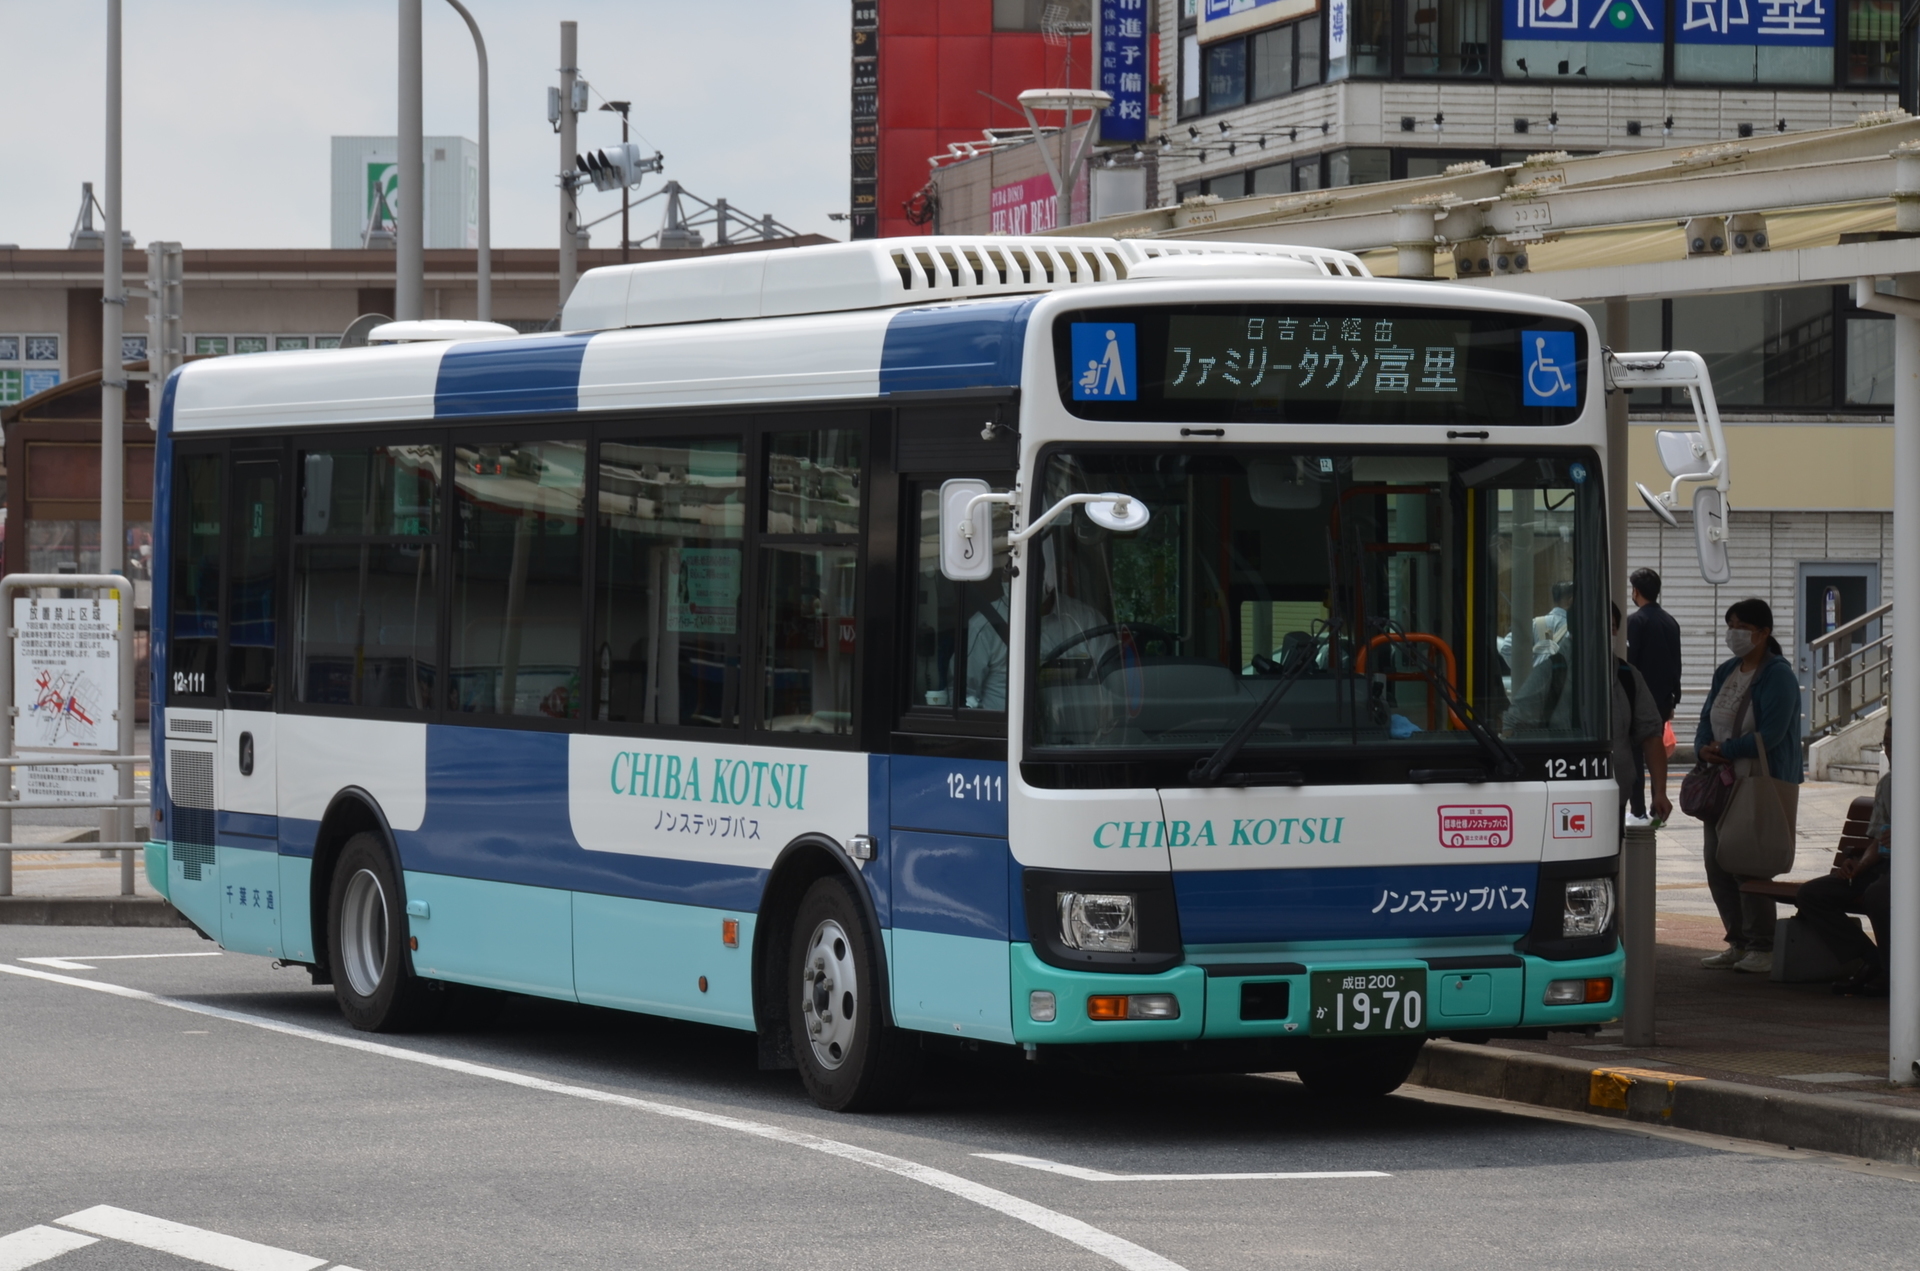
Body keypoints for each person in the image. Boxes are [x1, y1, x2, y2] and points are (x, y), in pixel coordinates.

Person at [1695, 598, 1804, 975]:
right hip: (1722, 783)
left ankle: (1762, 944)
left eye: (1740, 626)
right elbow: (1707, 716)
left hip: (1758, 781)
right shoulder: (1727, 670)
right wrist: (1703, 749)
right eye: (1730, 625)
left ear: (1763, 632)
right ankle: (1738, 940)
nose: (1733, 634)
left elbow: (1771, 734)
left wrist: (1725, 748)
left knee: (1748, 863)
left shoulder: (1778, 676)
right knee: (1716, 863)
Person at [1794, 717, 1892, 996]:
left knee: (1879, 896)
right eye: (1886, 744)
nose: (1890, 751)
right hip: (1885, 864)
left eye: (1897, 745)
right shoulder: (1888, 784)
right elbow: (1877, 839)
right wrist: (1859, 866)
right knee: (1813, 894)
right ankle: (1873, 960)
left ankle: (1892, 971)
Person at [1626, 568, 1682, 824]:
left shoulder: (1635, 622)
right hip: (1661, 700)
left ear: (1636, 591)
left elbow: (1631, 663)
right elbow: (1676, 665)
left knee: (1636, 753)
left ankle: (1638, 810)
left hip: (1636, 700)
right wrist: (1673, 699)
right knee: (1656, 751)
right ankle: (1657, 803)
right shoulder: (1670, 621)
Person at [1612, 604, 1672, 827]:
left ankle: (1637, 810)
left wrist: (1661, 792)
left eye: (1612, 627)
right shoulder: (1555, 671)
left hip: (1616, 797)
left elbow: (1651, 734)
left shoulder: (1628, 676)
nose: (1608, 633)